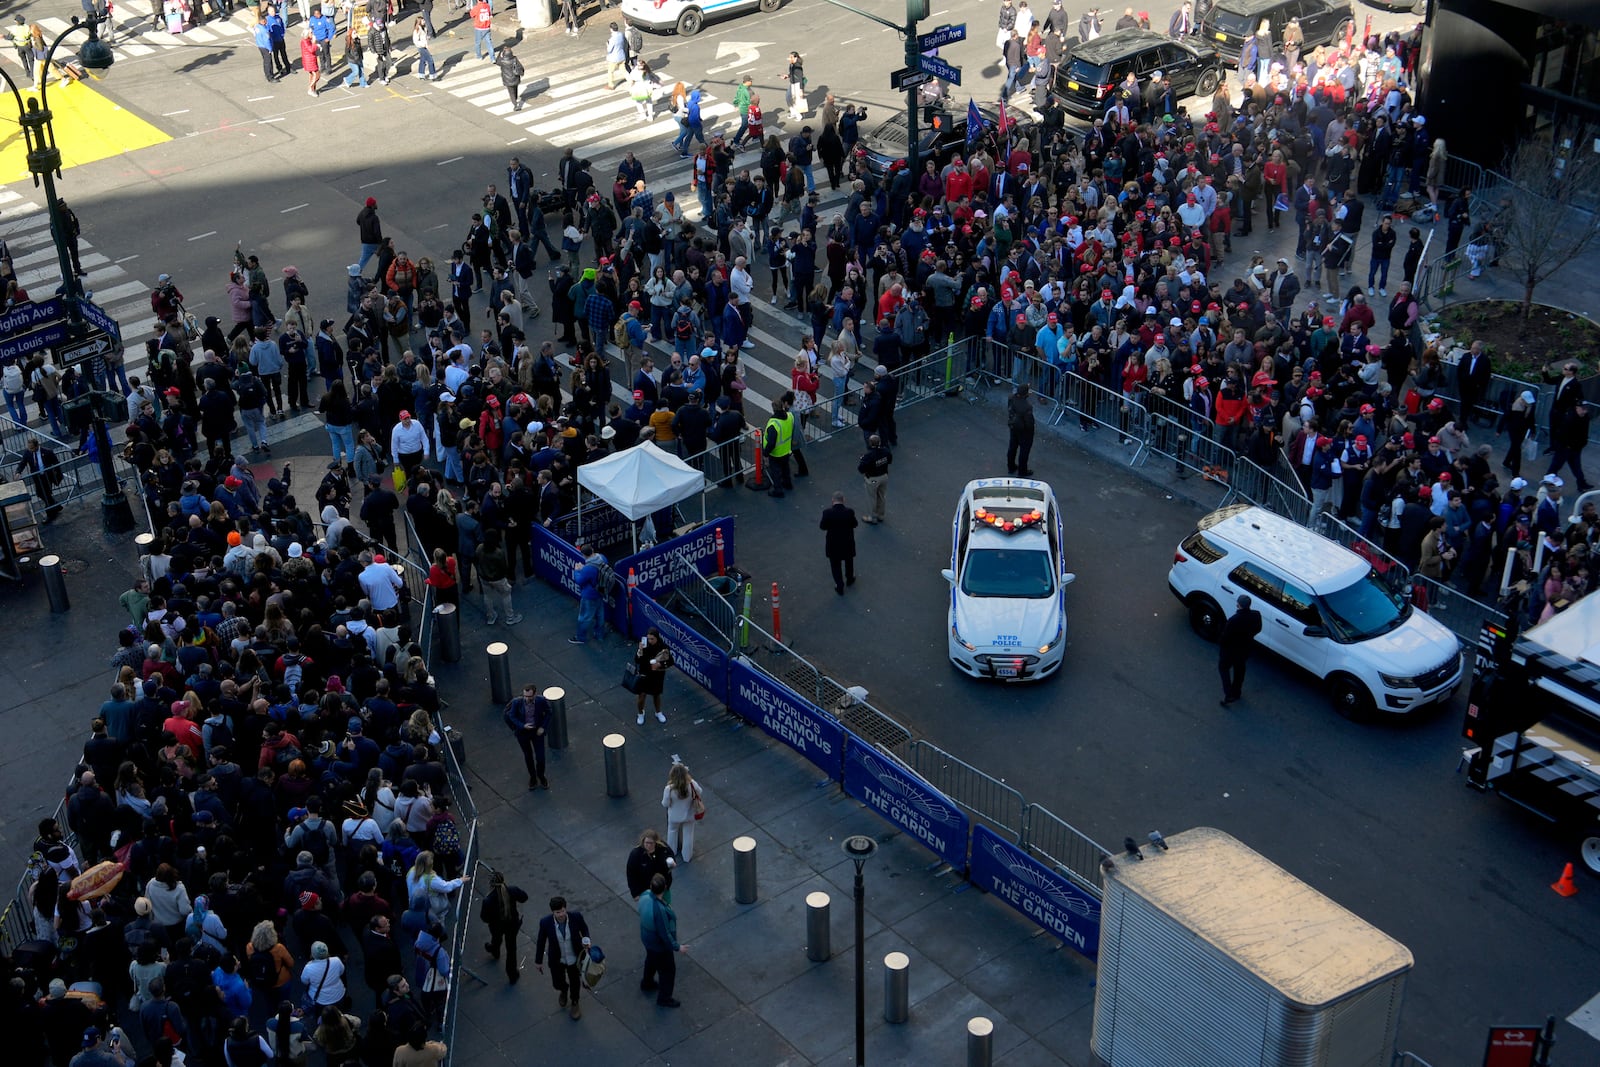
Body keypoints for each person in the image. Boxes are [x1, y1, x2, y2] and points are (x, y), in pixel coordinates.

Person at [534, 895, 591, 1018]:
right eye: (557, 912)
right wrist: (538, 961)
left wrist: (586, 939)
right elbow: (541, 941)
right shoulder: (545, 923)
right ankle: (563, 990)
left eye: (563, 911)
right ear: (553, 912)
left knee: (575, 981)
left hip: (574, 958)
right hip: (557, 959)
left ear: (566, 908)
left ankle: (575, 1002)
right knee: (557, 982)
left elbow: (584, 929)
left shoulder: (576, 917)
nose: (561, 914)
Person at [638, 873, 686, 1008]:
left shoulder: (645, 896)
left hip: (647, 939)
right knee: (668, 970)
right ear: (665, 888)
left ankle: (647, 983)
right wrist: (677, 947)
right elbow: (665, 933)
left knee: (651, 960)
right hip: (659, 946)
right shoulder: (660, 910)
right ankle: (664, 998)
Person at [480, 870, 529, 983]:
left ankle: (495, 951)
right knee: (511, 949)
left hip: (496, 926)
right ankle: (512, 974)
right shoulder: (512, 890)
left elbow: (484, 918)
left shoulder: (488, 900)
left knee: (496, 938)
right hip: (512, 924)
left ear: (491, 884)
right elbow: (524, 897)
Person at [1218, 594, 1263, 706]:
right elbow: (1258, 629)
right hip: (1244, 650)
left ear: (1238, 605)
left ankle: (1228, 694)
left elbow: (1225, 637)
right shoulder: (1256, 615)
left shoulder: (1233, 620)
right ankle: (1236, 692)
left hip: (1230, 651)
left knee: (1223, 668)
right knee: (1239, 670)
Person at [503, 683, 550, 789]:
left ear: (535, 694)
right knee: (528, 756)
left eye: (529, 696)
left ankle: (541, 776)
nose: (526, 698)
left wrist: (543, 727)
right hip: (523, 733)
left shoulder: (541, 701)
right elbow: (511, 716)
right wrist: (522, 726)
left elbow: (548, 712)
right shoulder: (517, 702)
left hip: (536, 731)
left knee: (540, 757)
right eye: (525, 696)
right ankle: (533, 777)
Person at [819, 490, 859, 595]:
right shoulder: (850, 512)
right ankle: (849, 579)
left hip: (833, 545)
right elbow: (855, 524)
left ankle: (839, 585)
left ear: (833, 501)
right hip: (847, 543)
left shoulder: (827, 513)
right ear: (843, 500)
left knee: (835, 565)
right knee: (849, 562)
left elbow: (822, 527)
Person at [633, 627, 673, 725]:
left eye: (652, 639)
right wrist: (640, 651)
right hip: (644, 674)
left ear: (656, 638)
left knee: (656, 695)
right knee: (641, 696)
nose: (649, 641)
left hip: (657, 675)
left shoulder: (663, 647)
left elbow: (670, 661)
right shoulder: (644, 646)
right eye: (648, 638)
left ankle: (658, 712)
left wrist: (660, 664)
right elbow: (637, 660)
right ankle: (640, 713)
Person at [661, 762, 701, 861]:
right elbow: (700, 791)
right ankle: (687, 856)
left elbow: (665, 804)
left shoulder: (669, 789)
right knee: (688, 835)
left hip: (674, 817)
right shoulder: (692, 785)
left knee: (672, 832)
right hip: (689, 815)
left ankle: (672, 853)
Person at [625, 828, 675, 900]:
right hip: (646, 891)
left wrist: (673, 862)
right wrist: (635, 893)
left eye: (651, 843)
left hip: (663, 887)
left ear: (656, 842)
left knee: (666, 907)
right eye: (647, 843)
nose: (649, 845)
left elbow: (670, 854)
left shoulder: (662, 848)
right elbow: (631, 874)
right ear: (643, 841)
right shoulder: (636, 854)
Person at [857, 433, 891, 524]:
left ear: (870, 444)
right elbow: (890, 460)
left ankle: (872, 517)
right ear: (879, 442)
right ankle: (881, 515)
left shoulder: (868, 456)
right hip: (884, 476)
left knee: (871, 498)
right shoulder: (886, 451)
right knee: (881, 496)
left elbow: (861, 469)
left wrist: (862, 460)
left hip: (873, 479)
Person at [1007, 382, 1036, 476]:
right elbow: (1029, 423)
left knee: (1012, 447)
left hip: (1013, 427)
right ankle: (1022, 470)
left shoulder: (1011, 398)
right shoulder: (1027, 407)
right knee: (1024, 451)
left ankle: (1011, 466)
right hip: (1024, 432)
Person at [496, 41, 524, 111]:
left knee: (511, 92)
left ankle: (515, 104)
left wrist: (500, 53)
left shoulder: (502, 61)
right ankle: (516, 99)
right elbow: (520, 67)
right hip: (515, 78)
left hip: (507, 80)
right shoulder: (514, 59)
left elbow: (497, 62)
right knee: (515, 89)